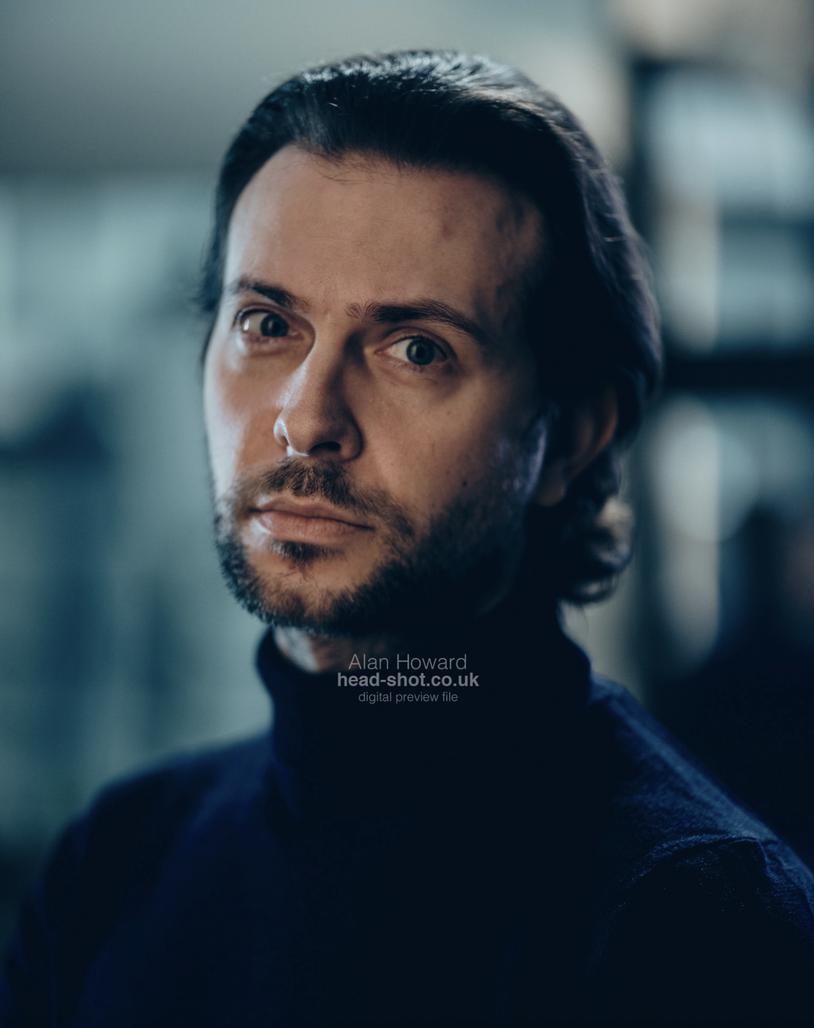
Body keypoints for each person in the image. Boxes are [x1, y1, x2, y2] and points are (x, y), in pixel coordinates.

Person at [2, 49, 813, 1026]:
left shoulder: (688, 914)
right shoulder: (114, 861)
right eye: (266, 324)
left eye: (416, 348)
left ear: (570, 437)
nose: (306, 420)